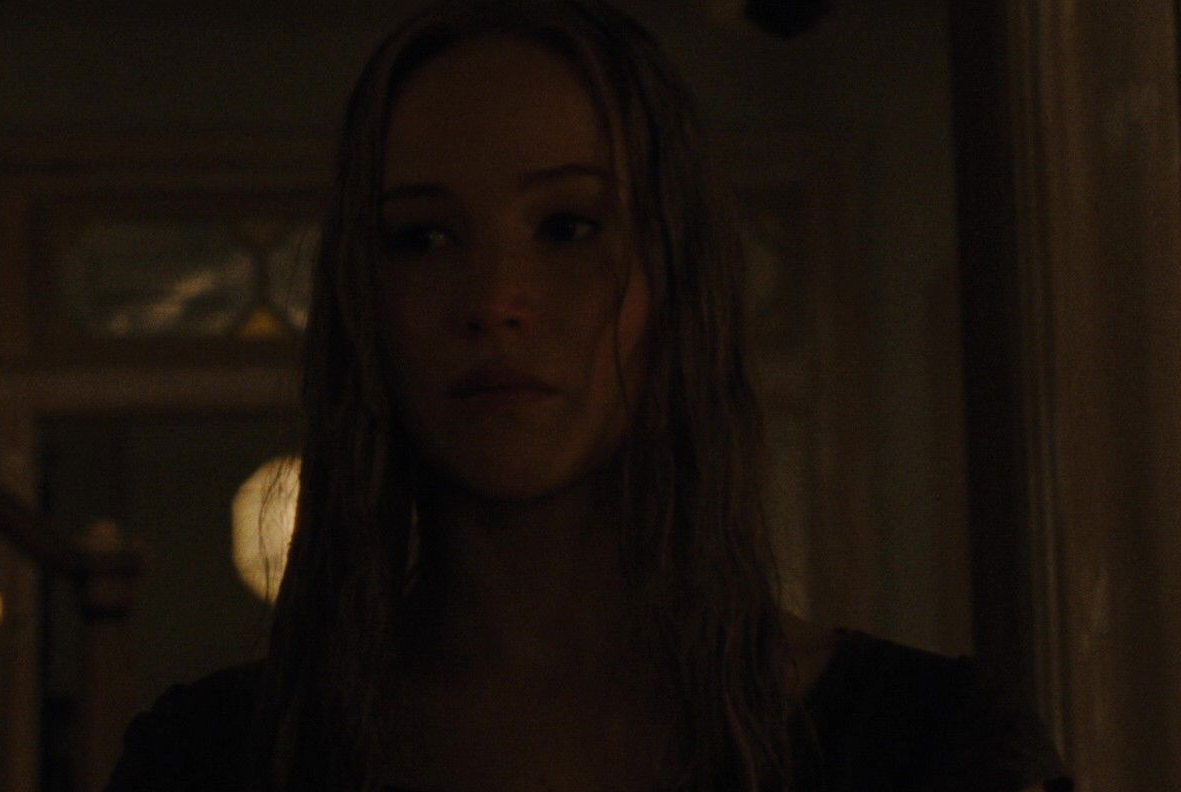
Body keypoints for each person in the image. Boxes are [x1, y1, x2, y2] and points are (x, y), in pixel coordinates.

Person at [107, 2, 1073, 790]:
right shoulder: (218, 758)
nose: (494, 300)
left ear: (676, 276)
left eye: (568, 227)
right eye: (423, 238)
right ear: (364, 298)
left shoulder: (919, 748)